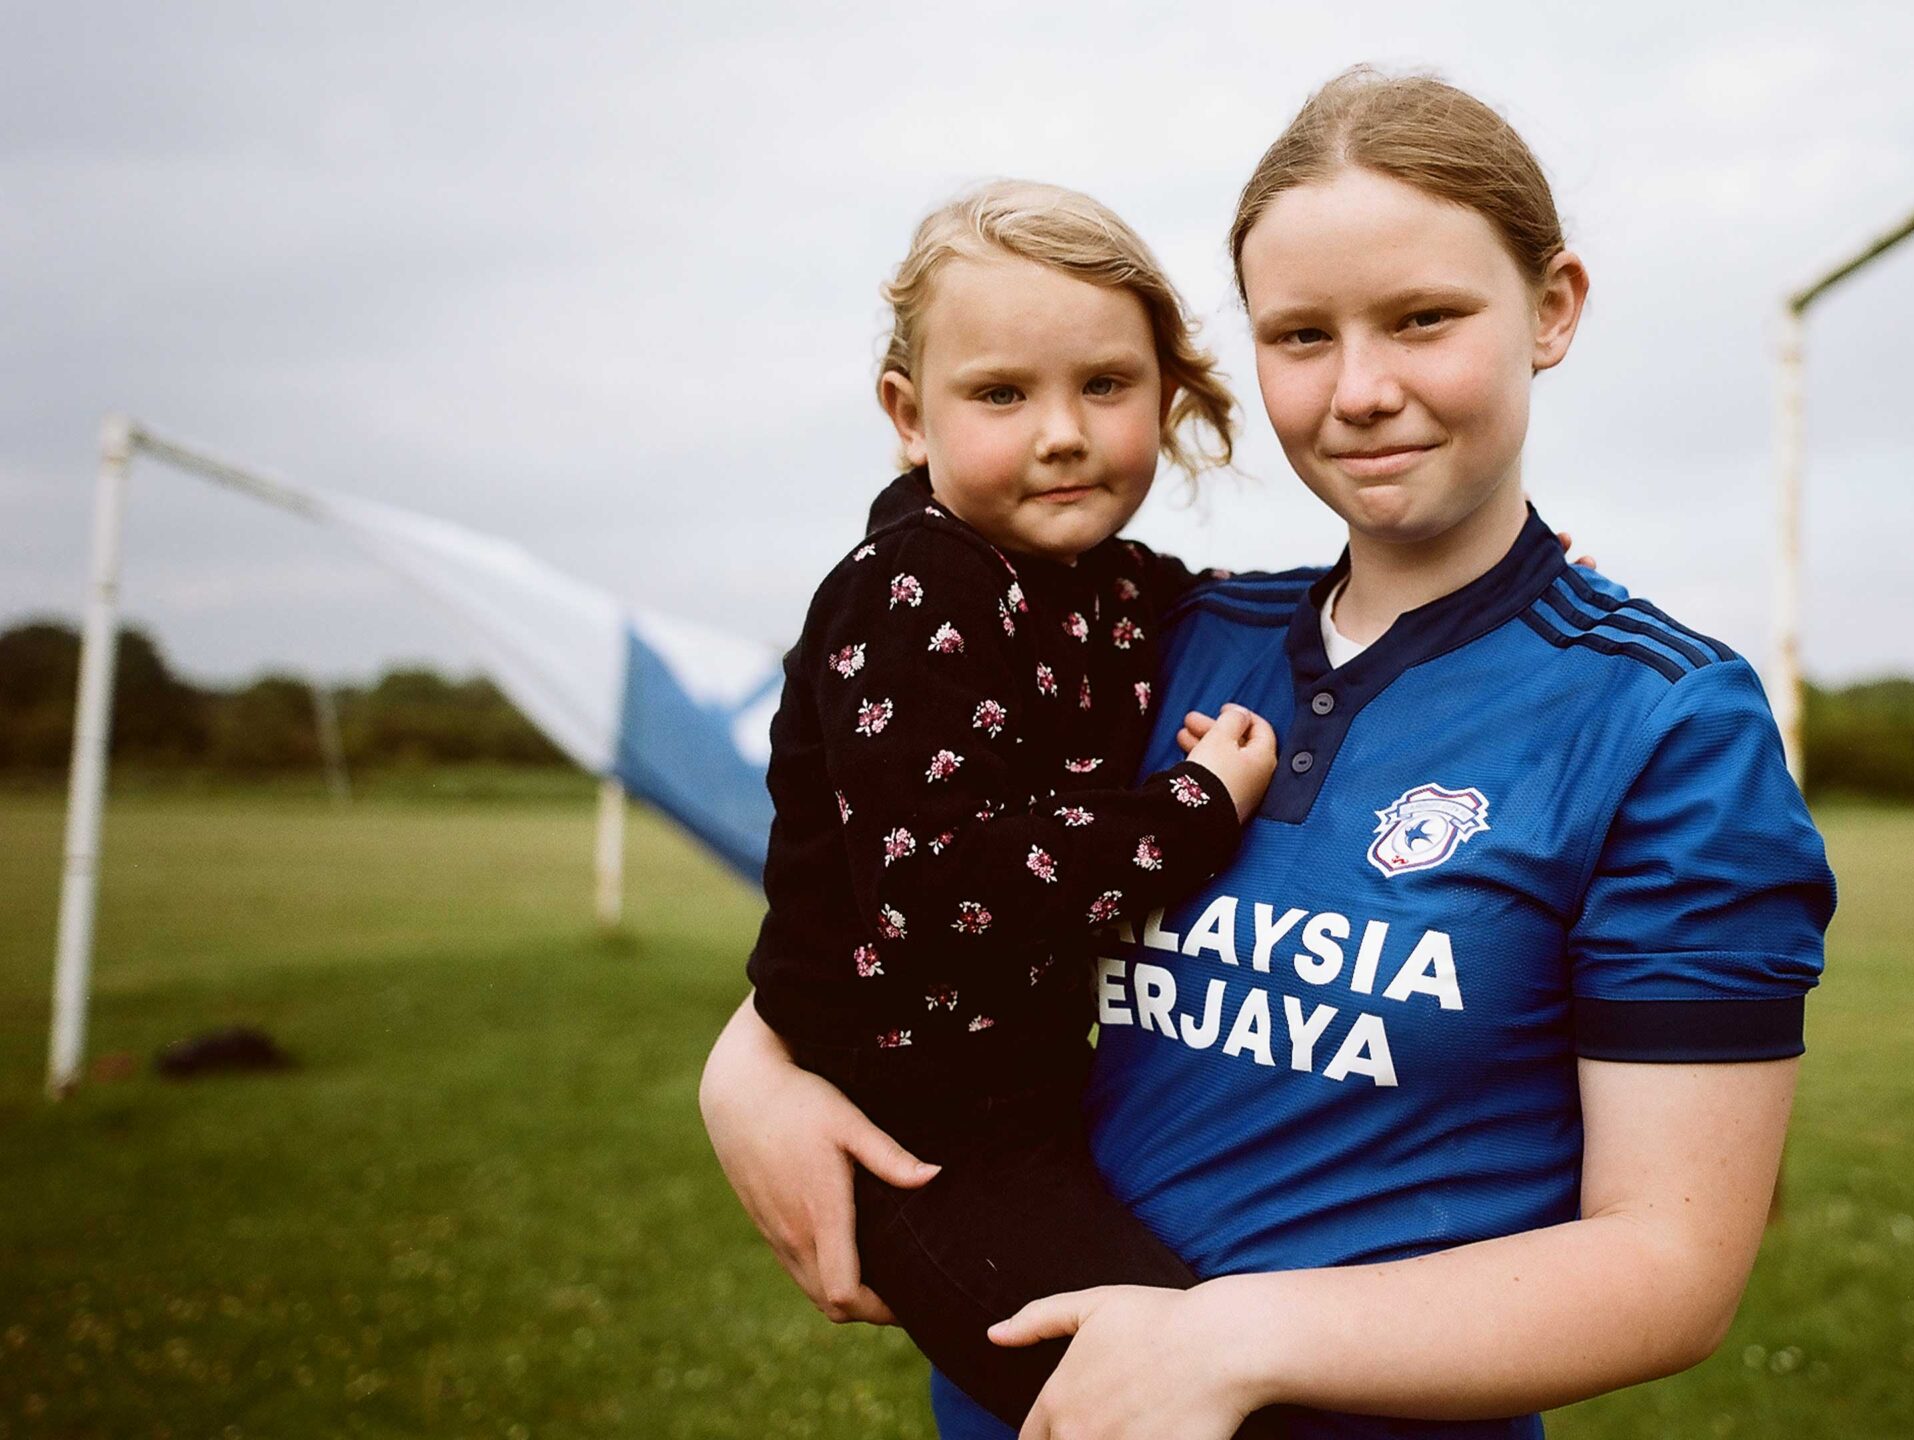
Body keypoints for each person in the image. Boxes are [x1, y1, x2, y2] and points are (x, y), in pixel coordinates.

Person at [700, 67, 1837, 1440]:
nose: (1361, 390)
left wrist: (1228, 1343)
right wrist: (747, 1072)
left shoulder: (1666, 727)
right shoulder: (1166, 634)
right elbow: (919, 884)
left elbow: (1672, 1269)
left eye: (1424, 318)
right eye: (1303, 336)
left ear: (1553, 309)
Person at [740, 176, 1291, 1429]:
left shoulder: (1097, 581)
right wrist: (1196, 807)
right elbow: (944, 886)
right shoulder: (911, 595)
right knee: (1156, 1403)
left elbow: (1289, 611)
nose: (1062, 431)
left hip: (1035, 1105)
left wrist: (1511, 598)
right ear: (907, 412)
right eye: (1000, 393)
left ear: (1167, 392)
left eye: (1105, 385)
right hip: (917, 1138)